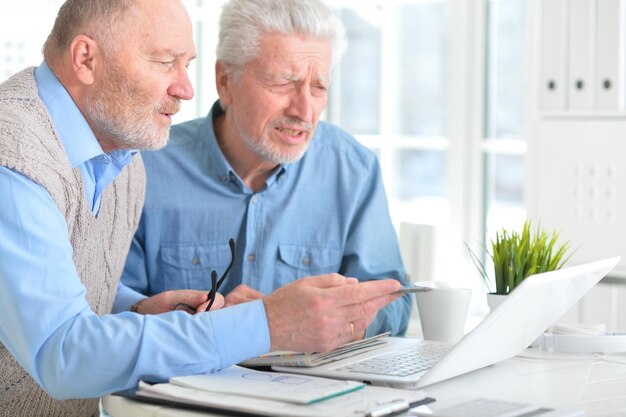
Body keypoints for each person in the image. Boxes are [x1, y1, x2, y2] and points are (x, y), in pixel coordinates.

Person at [0, 1, 402, 416]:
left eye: (185, 64)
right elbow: (61, 353)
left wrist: (138, 309)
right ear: (86, 59)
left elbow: (66, 285)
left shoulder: (121, 161)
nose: (185, 89)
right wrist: (269, 323)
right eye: (164, 62)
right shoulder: (13, 157)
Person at [122, 0, 412, 339]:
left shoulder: (354, 172)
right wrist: (228, 325)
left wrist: (328, 319)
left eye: (318, 87)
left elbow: (395, 307)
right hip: (176, 388)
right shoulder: (145, 168)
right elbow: (107, 308)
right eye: (283, 82)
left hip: (312, 390)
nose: (304, 110)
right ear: (225, 81)